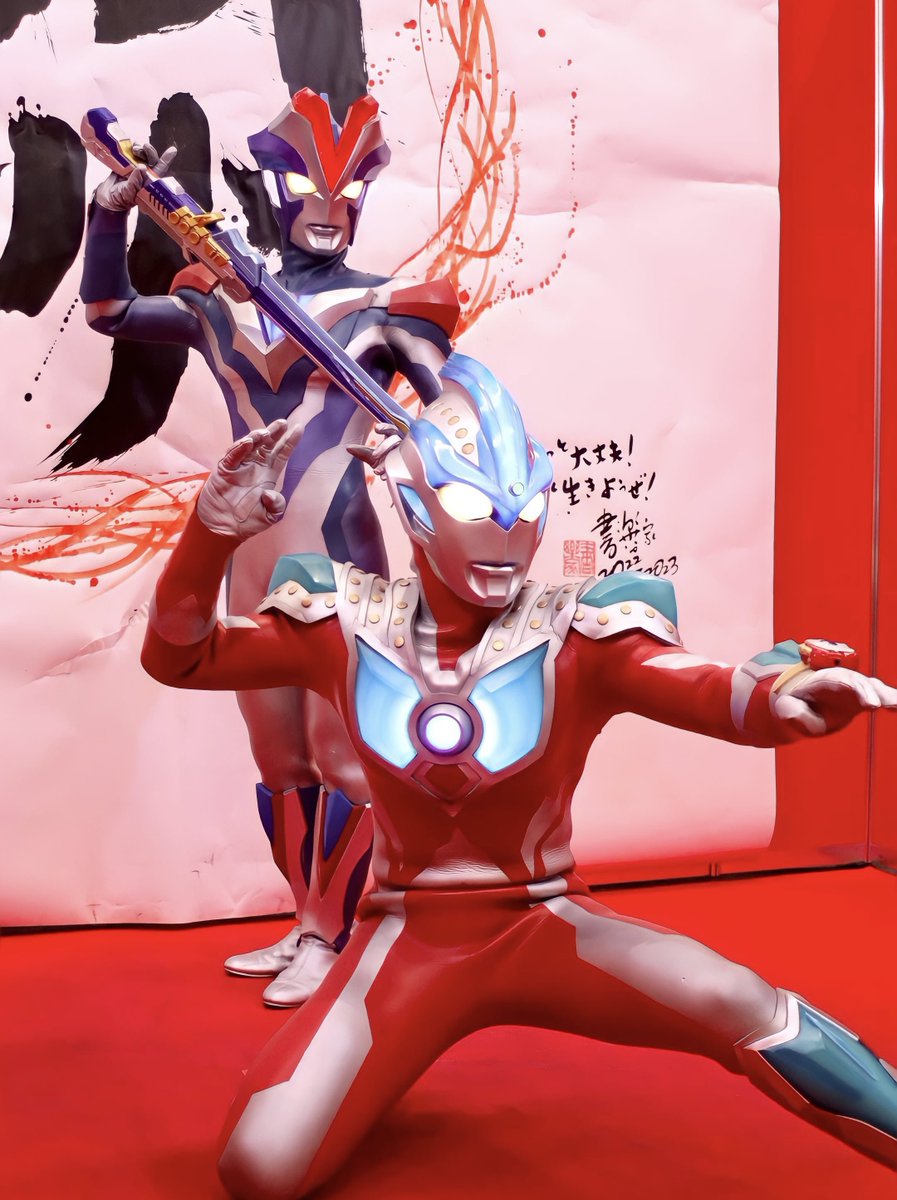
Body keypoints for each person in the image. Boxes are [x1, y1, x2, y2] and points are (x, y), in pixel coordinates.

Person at [143, 356, 897, 1198]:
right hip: (407, 939)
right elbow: (181, 658)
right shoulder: (343, 621)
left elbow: (706, 688)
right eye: (474, 508)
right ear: (415, 505)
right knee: (259, 1167)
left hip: (546, 923)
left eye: (525, 508)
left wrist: (784, 691)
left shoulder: (579, 629)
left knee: (740, 1003)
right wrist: (209, 536)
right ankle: (369, 1074)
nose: (504, 535)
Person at [81, 88, 458, 1005]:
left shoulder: (388, 303)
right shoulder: (220, 293)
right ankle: (305, 921)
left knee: (342, 758)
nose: (328, 211)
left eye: (348, 194)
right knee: (279, 759)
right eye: (309, 190)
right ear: (274, 189)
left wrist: (416, 445)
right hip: (250, 550)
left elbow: (452, 414)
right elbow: (109, 311)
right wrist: (108, 212)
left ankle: (335, 935)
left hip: (343, 551)